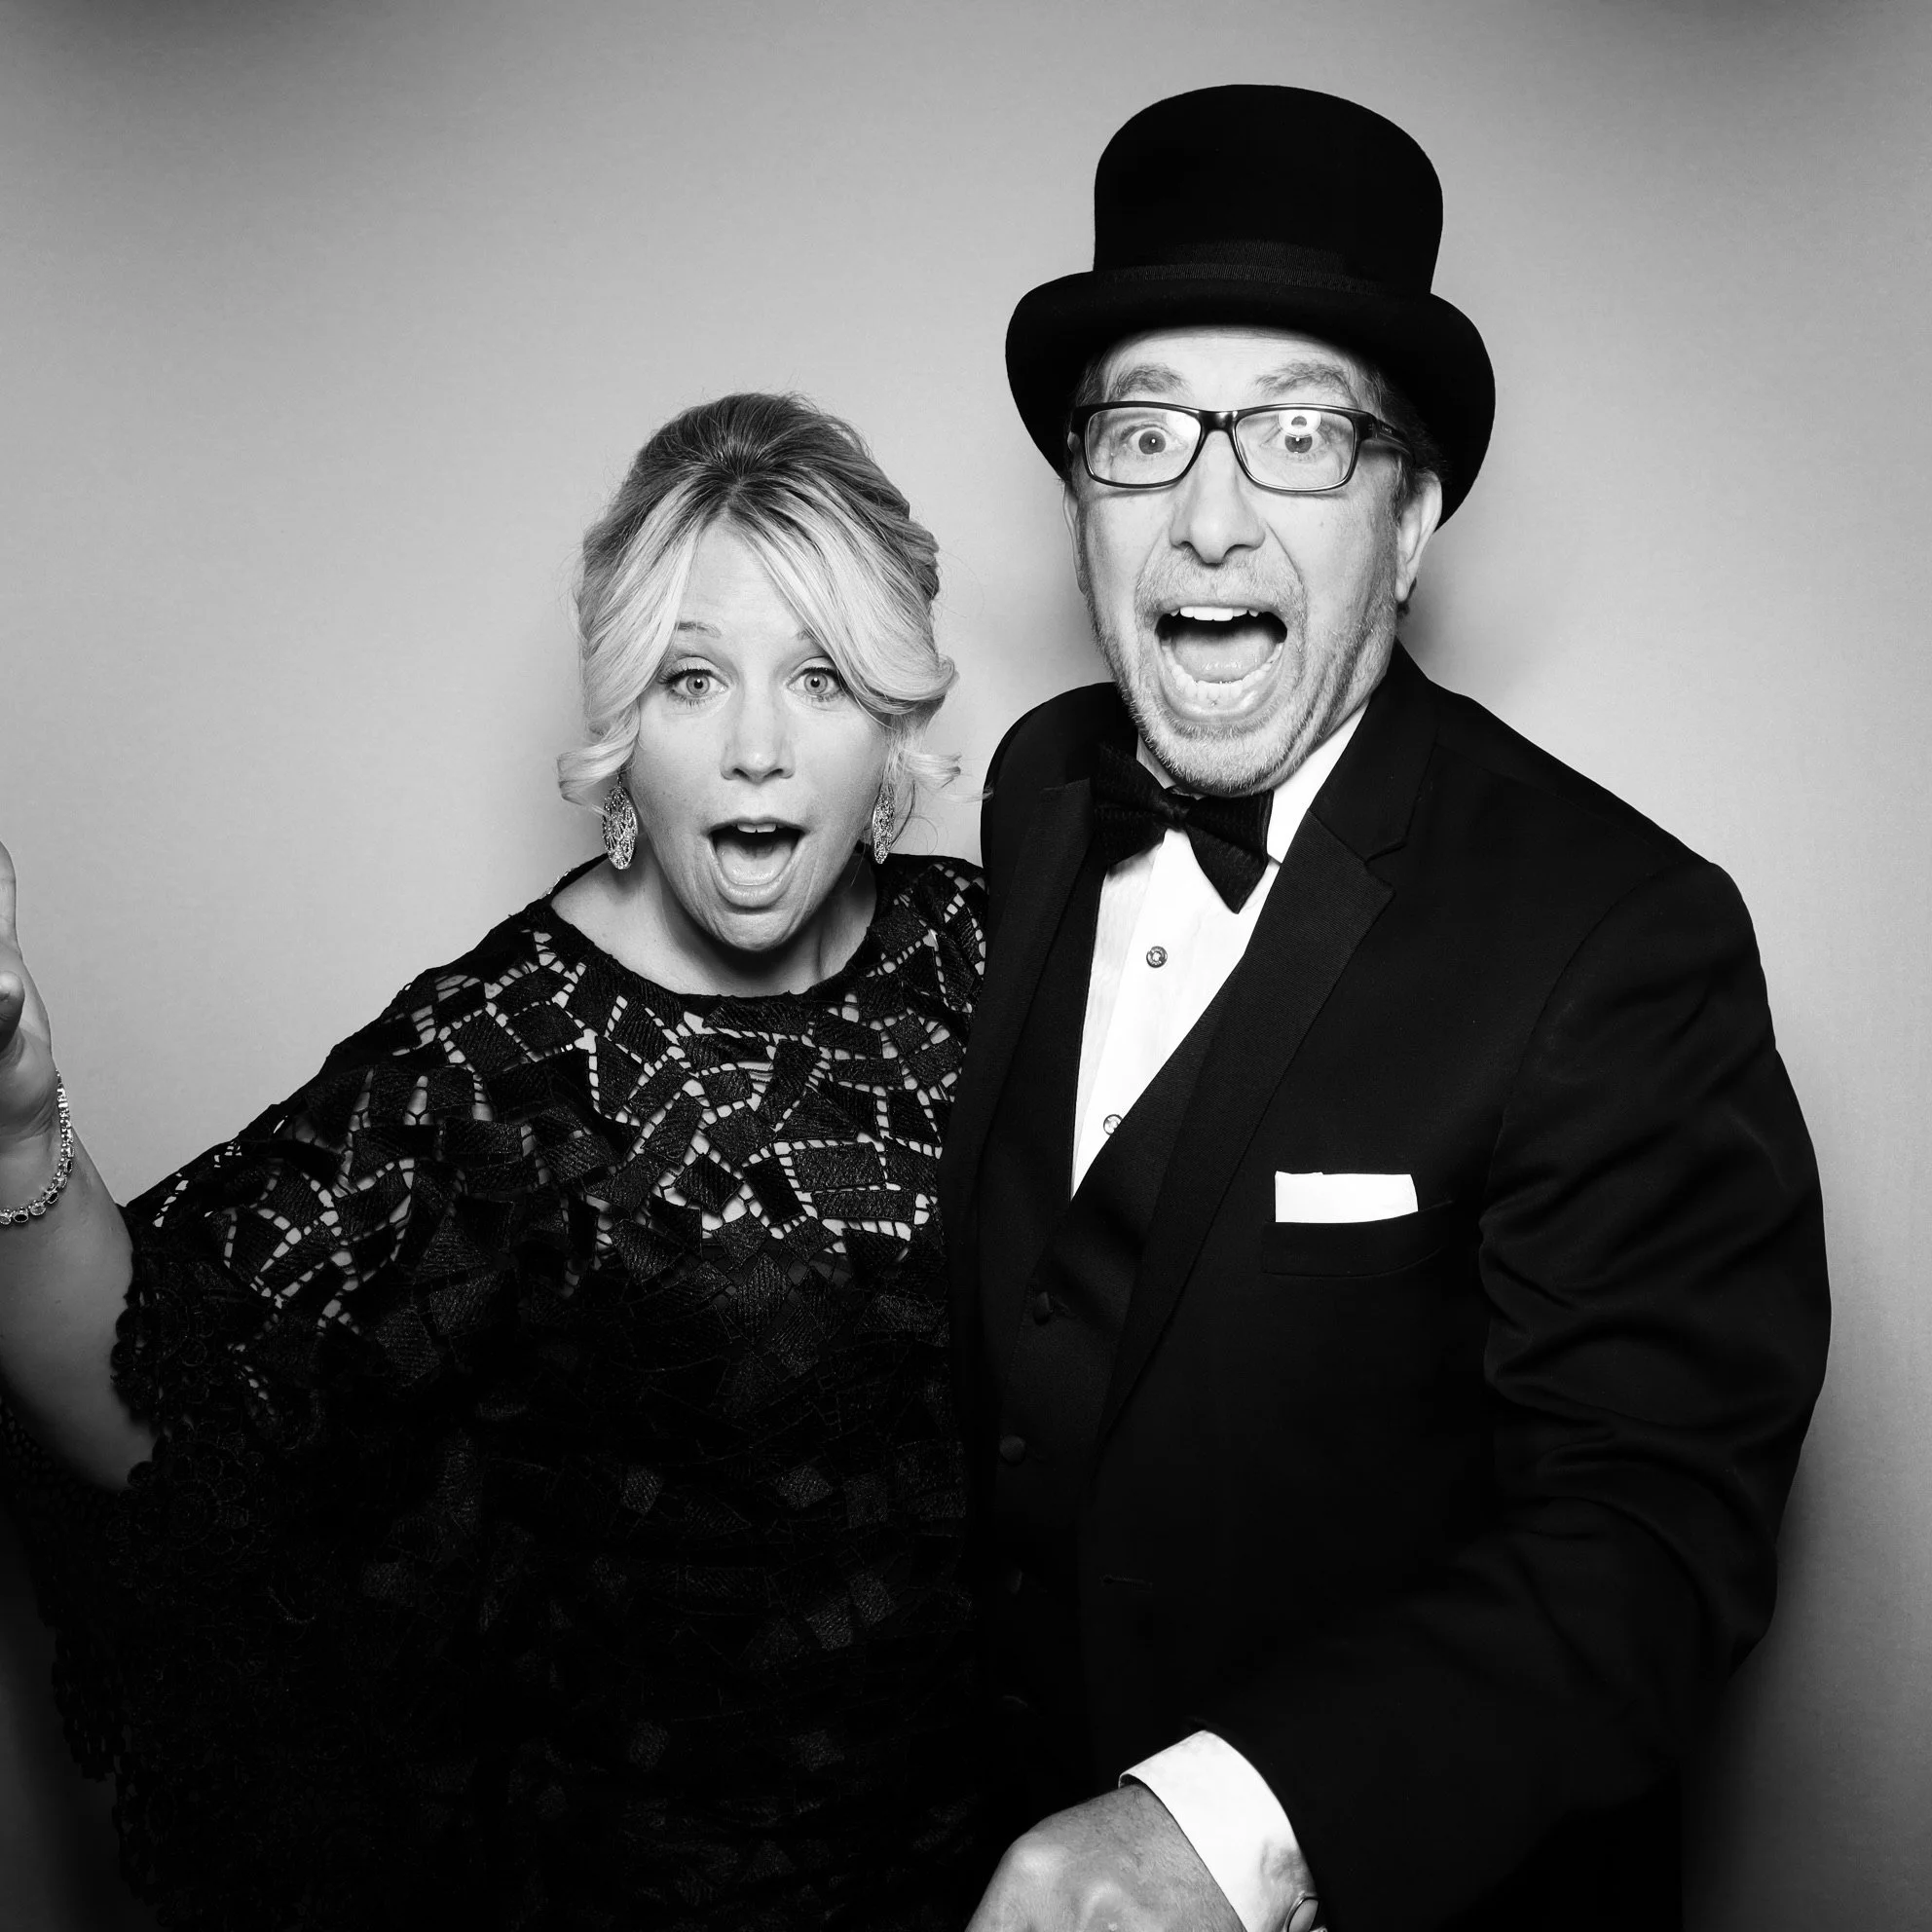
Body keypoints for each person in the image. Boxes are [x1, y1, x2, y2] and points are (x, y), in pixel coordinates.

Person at [945, 87, 1830, 1932]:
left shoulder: (1622, 933)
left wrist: (1223, 1832)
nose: (1207, 519)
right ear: (1081, 500)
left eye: (1299, 436)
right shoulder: (1032, 792)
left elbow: (1651, 1541)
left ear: (1410, 519)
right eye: (1144, 434)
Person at [0, 392, 996, 1930]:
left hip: (1014, 1863)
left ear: (890, 723)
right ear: (623, 730)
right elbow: (163, 1402)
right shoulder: (509, 1053)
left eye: (819, 678)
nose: (755, 750)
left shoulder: (988, 949)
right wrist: (14, 1123)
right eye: (691, 679)